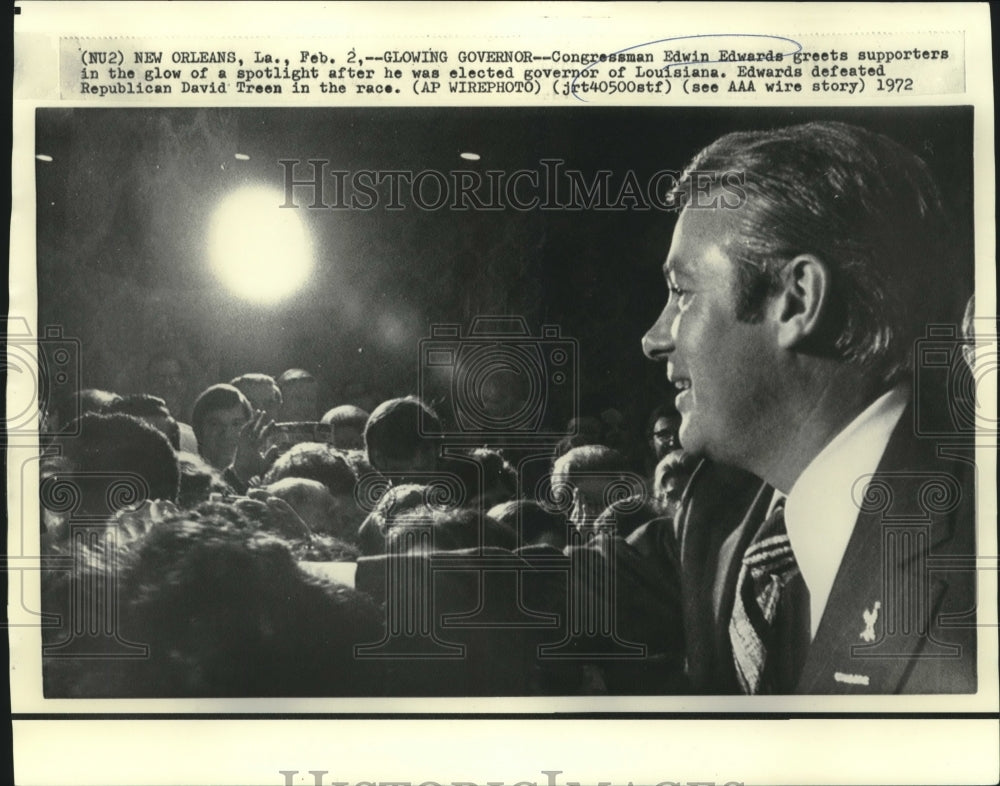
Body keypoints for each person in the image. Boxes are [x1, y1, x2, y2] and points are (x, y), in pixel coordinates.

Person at [640, 121, 974, 694]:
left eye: (683, 292)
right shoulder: (724, 509)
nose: (653, 337)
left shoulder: (976, 560)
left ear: (798, 299)